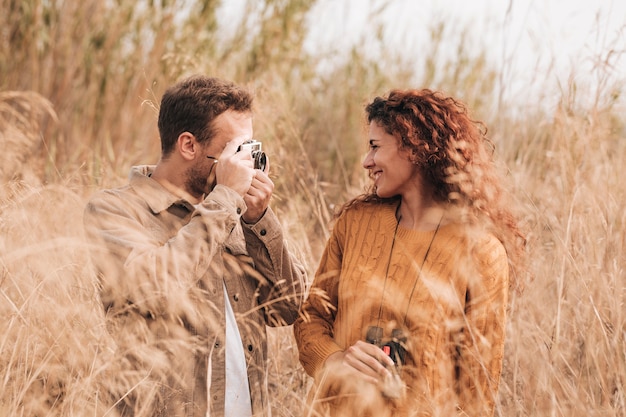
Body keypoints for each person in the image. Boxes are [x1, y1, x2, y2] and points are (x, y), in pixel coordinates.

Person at [83, 75, 305, 417]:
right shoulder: (116, 210)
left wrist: (258, 218)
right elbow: (153, 290)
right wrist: (226, 198)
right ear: (188, 145)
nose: (246, 164)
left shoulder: (233, 213)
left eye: (251, 149)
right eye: (236, 151)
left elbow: (288, 309)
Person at [294, 88, 525, 416]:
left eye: (375, 147)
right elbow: (311, 317)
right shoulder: (355, 223)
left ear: (414, 146)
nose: (366, 161)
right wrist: (335, 360)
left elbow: (478, 392)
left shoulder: (482, 253)